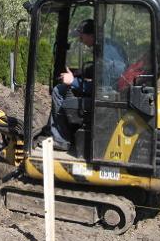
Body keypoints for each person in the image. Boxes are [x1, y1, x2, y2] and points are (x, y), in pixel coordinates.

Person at [49, 19, 126, 150]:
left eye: (81, 35)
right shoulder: (108, 47)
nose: (80, 39)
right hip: (113, 94)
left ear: (91, 35)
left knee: (58, 90)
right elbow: (102, 72)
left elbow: (100, 89)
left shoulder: (104, 53)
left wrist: (72, 81)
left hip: (107, 101)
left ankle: (61, 139)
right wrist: (83, 72)